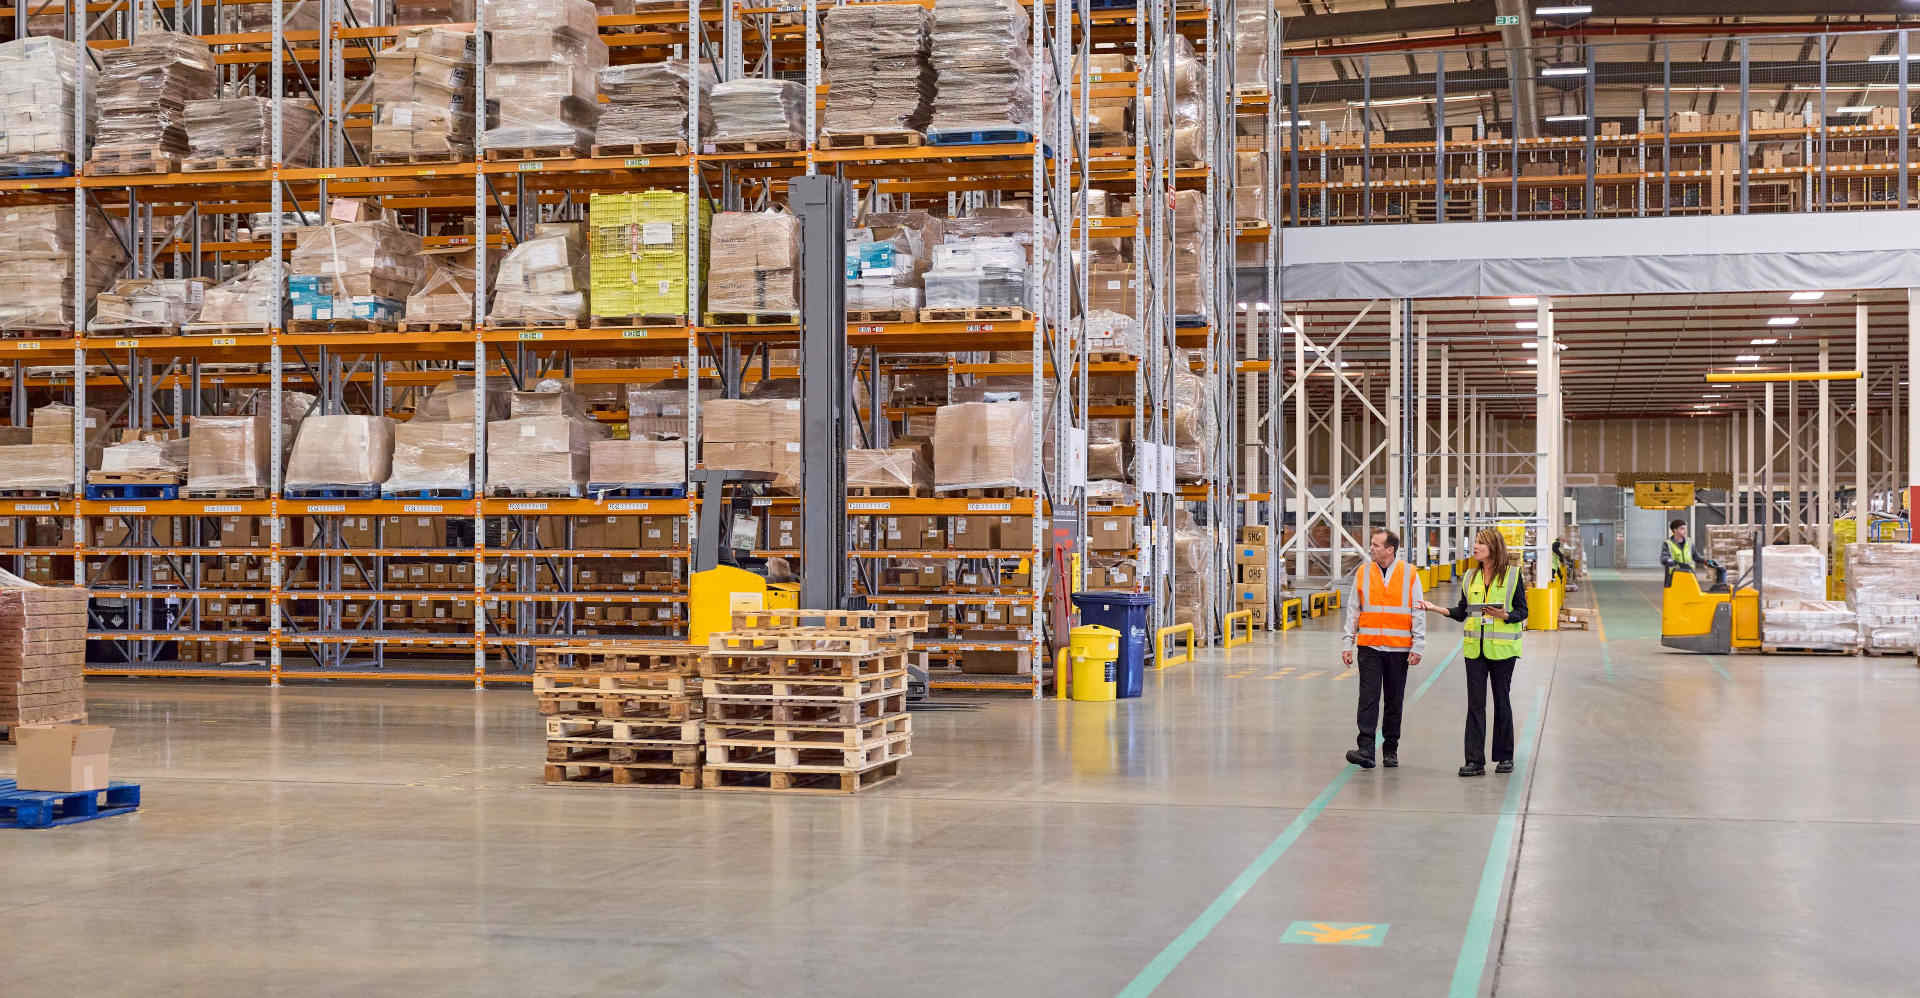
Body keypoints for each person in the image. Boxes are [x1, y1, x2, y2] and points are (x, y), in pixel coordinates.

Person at [1419, 528, 1528, 777]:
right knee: (1475, 705)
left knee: (1502, 701)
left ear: (1493, 548)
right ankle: (1474, 761)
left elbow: (1523, 611)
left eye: (1480, 543)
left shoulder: (1512, 576)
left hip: (1502, 651)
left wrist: (1506, 616)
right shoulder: (1470, 577)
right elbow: (1462, 612)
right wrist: (1434, 607)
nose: (1475, 546)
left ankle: (1505, 757)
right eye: (1476, 542)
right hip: (1474, 650)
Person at [1341, 528, 1425, 770]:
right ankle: (1365, 749)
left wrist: (1418, 645)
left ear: (1390, 549)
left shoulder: (1409, 574)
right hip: (1369, 647)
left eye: (1376, 545)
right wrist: (1348, 642)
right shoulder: (1364, 572)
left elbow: (1417, 610)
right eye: (1372, 544)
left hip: (1398, 649)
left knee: (1393, 700)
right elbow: (1353, 610)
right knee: (1368, 699)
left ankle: (1390, 749)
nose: (1371, 548)